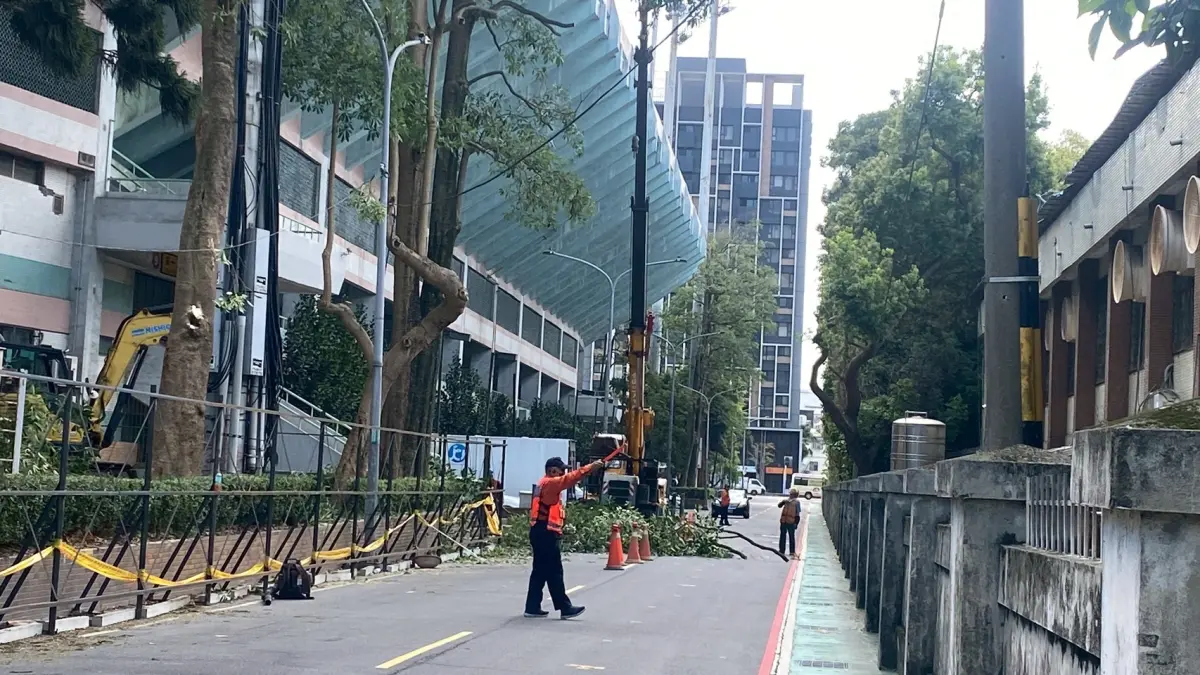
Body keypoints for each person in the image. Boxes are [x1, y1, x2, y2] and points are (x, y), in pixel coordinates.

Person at [525, 456, 604, 619]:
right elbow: (570, 479)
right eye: (560, 470)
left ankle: (532, 607)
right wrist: (590, 468)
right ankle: (564, 607)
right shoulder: (549, 484)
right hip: (546, 533)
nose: (563, 473)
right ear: (552, 471)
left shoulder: (542, 484)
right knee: (554, 572)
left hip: (540, 532)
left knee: (539, 572)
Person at [778, 488, 802, 559]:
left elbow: (797, 514)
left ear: (794, 495)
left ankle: (792, 551)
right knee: (782, 536)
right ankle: (781, 550)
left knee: (791, 537)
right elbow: (779, 506)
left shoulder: (797, 502)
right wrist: (783, 502)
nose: (790, 495)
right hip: (783, 521)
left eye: (791, 494)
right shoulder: (786, 501)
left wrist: (796, 523)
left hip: (791, 522)